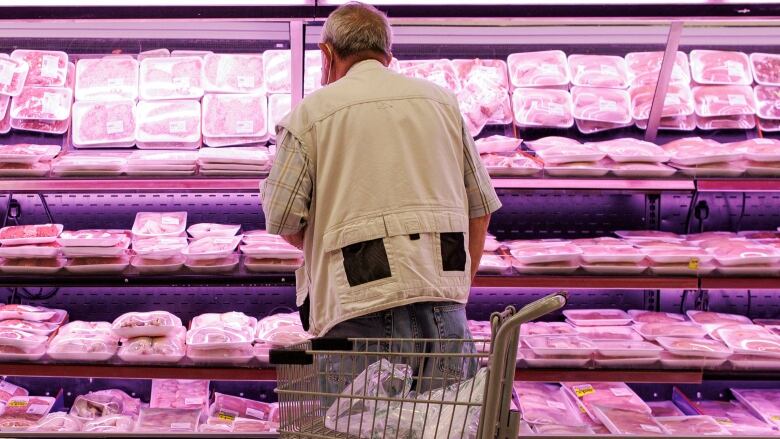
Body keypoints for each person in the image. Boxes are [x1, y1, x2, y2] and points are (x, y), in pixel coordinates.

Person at [261, 2, 501, 391]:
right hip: (446, 306)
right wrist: (454, 284)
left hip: (358, 309)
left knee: (358, 427)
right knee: (444, 429)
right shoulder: (443, 104)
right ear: (387, 56)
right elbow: (480, 210)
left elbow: (282, 219)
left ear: (327, 54)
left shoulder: (311, 114)